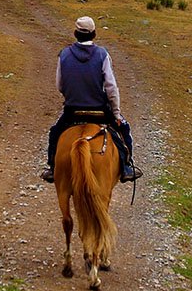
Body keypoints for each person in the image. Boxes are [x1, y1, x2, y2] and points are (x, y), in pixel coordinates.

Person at [40, 16, 142, 184]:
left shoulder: (64, 54)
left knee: (55, 133)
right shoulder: (102, 55)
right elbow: (111, 87)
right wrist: (116, 113)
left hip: (73, 111)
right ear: (94, 34)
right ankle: (126, 167)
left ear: (75, 33)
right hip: (99, 112)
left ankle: (52, 167)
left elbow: (60, 84)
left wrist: (73, 95)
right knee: (124, 129)